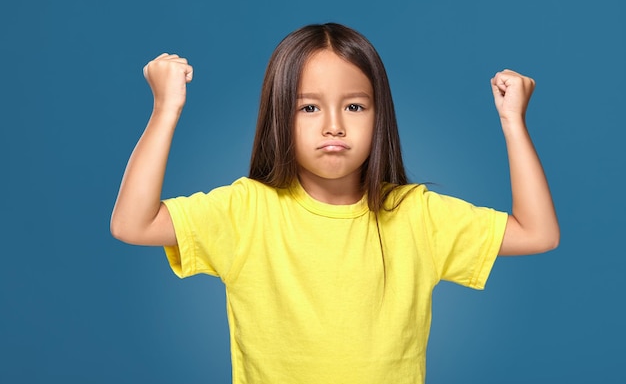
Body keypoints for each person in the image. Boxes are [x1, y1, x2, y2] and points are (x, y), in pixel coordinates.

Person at [110, 23, 559, 384]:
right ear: (278, 117)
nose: (333, 126)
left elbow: (537, 233)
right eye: (308, 108)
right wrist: (164, 109)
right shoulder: (247, 210)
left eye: (355, 107)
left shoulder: (416, 214)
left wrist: (512, 122)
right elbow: (133, 224)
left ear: (380, 116)